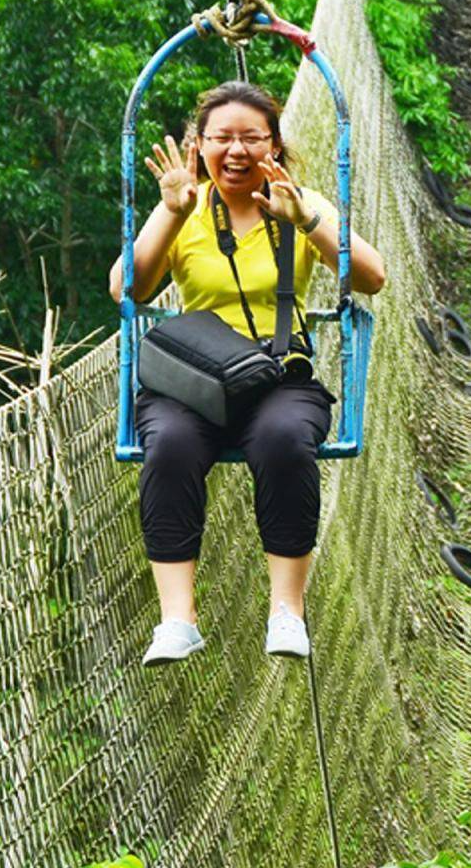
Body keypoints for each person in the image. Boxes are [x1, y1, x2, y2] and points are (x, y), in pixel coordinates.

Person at [108, 81, 387, 667]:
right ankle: (177, 620)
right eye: (221, 139)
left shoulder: (299, 202)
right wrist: (170, 211)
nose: (236, 151)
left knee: (285, 440)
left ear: (274, 146)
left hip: (278, 376)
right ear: (200, 146)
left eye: (251, 138)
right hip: (194, 382)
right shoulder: (185, 207)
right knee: (171, 446)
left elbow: (371, 277)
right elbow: (124, 290)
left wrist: (308, 220)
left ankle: (287, 612)